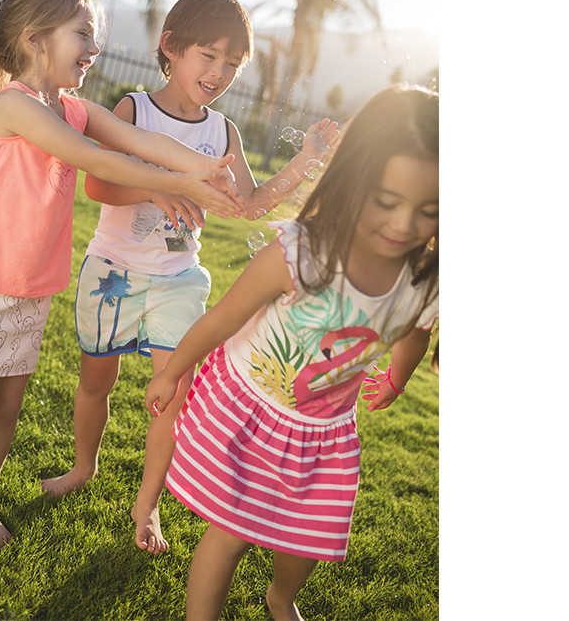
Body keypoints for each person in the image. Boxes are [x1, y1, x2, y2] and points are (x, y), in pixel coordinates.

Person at [0, 0, 248, 576]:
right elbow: (95, 158)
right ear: (35, 38)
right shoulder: (13, 104)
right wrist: (180, 183)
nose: (94, 48)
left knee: (5, 411)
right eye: (83, 34)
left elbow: (138, 141)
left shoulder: (71, 106)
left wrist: (210, 170)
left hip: (31, 290)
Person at [40, 0, 339, 557]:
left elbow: (251, 204)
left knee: (172, 393)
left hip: (178, 279)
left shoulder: (224, 133)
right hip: (113, 273)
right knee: (96, 381)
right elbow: (98, 184)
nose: (220, 72)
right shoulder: (134, 110)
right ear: (171, 47)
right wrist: (160, 187)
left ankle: (146, 506)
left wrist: (306, 160)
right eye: (209, 55)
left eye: (233, 63)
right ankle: (83, 467)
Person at [144, 84, 439, 621]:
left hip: (324, 432)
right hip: (253, 411)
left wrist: (397, 378)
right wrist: (173, 372)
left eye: (429, 210)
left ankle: (281, 598)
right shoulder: (300, 253)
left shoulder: (425, 281)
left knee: (306, 540)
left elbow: (417, 333)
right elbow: (222, 318)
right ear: (354, 179)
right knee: (231, 536)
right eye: (386, 201)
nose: (403, 225)